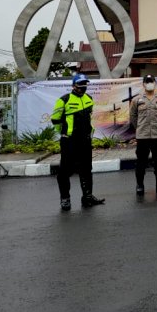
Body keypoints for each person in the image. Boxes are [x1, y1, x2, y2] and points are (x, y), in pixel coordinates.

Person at [50, 73, 105, 211]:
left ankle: (87, 197)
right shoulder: (64, 100)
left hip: (85, 141)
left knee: (86, 169)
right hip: (69, 142)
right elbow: (55, 120)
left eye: (85, 84)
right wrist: (65, 133)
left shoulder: (89, 99)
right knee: (65, 171)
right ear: (73, 86)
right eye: (80, 84)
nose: (83, 87)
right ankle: (65, 199)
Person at [130, 74, 157, 197]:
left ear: (155, 83)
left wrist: (156, 125)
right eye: (147, 81)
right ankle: (140, 185)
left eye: (151, 81)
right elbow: (133, 117)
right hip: (142, 136)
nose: (149, 83)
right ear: (143, 84)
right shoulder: (137, 100)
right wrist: (140, 128)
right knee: (141, 162)